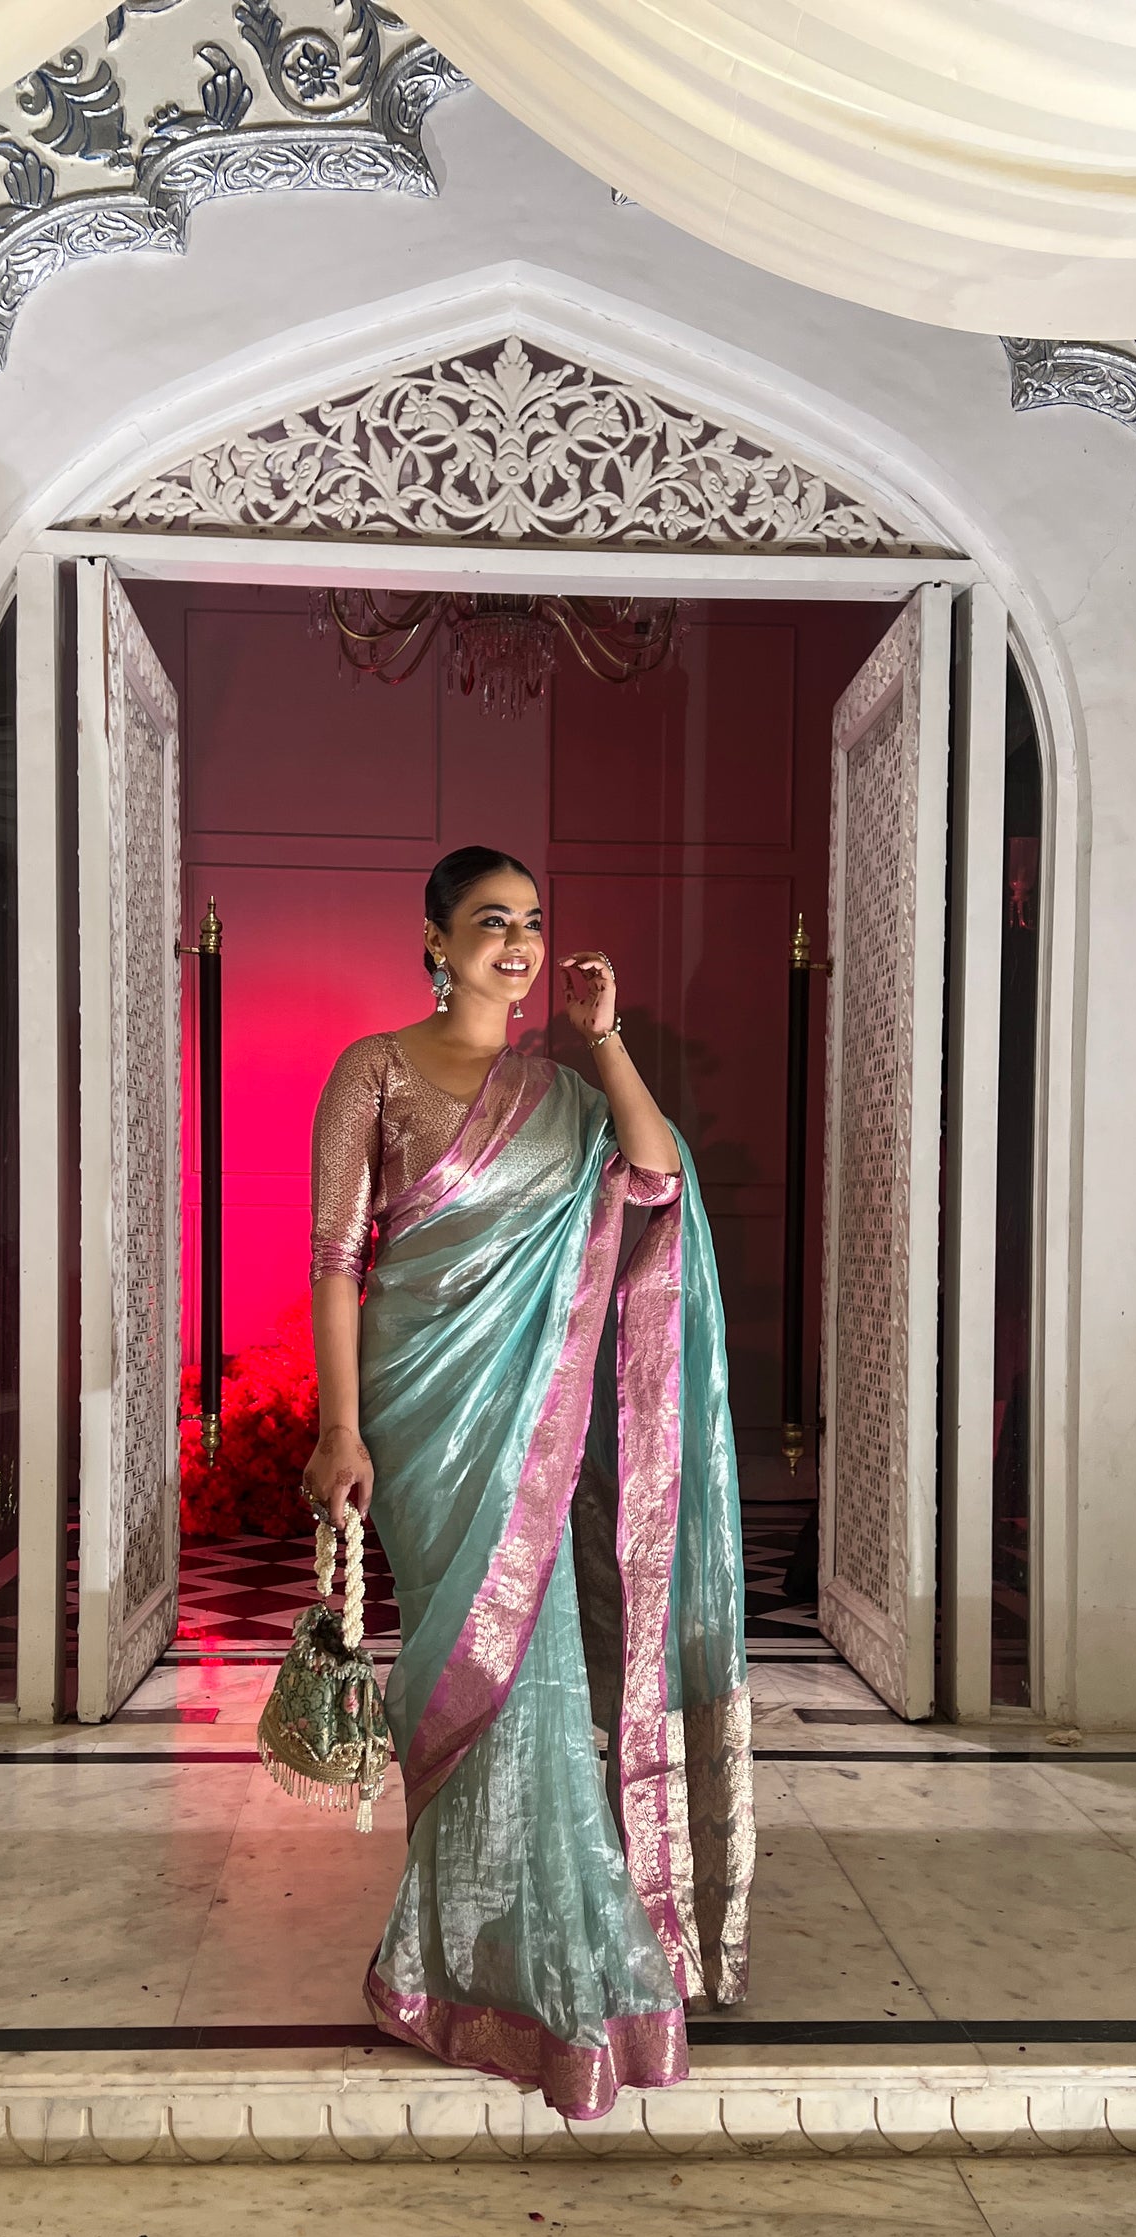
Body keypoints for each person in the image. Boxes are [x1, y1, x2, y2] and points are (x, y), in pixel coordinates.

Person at [302, 844, 753, 2120]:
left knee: (534, 1669)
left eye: (532, 921)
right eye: (490, 921)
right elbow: (335, 1259)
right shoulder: (372, 1071)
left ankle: (520, 1955)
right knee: (460, 1661)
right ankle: (462, 1951)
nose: (517, 942)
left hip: (533, 1420)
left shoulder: (560, 1091)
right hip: (416, 1407)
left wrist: (604, 1042)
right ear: (434, 942)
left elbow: (655, 1177)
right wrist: (339, 1430)